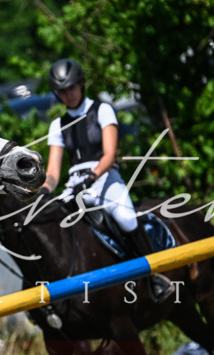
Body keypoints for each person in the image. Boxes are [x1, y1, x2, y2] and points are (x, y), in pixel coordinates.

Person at [43, 58, 172, 300]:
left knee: (126, 218)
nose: (68, 94)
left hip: (104, 176)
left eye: (71, 88)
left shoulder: (102, 110)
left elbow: (110, 154)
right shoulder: (57, 125)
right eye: (62, 91)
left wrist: (91, 177)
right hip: (75, 184)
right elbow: (53, 172)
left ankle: (156, 275)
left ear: (81, 84)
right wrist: (44, 190)